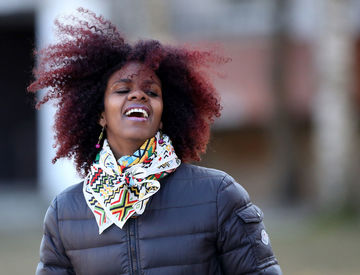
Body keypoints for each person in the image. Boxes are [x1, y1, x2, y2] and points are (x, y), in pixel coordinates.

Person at [28, 8, 282, 275]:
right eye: (123, 89)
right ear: (100, 113)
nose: (138, 95)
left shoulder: (219, 195)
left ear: (163, 116)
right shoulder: (66, 212)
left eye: (151, 91)